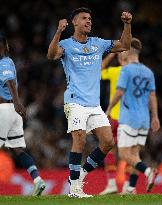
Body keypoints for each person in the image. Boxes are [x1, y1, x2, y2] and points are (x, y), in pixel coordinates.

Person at [47, 7, 132, 198]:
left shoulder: (98, 44)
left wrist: (127, 24)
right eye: (84, 18)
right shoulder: (67, 44)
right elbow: (51, 55)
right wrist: (59, 32)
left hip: (93, 104)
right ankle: (75, 189)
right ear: (74, 22)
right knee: (80, 138)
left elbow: (125, 44)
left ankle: (79, 175)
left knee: (108, 142)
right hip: (75, 101)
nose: (89, 21)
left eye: (90, 19)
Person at [106, 38, 160, 193]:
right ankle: (130, 188)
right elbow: (153, 96)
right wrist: (155, 116)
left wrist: (109, 109)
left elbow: (119, 92)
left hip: (129, 118)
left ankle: (149, 171)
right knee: (135, 154)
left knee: (124, 154)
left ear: (128, 52)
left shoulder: (126, 70)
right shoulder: (148, 72)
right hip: (144, 119)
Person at [0, 35, 46, 196]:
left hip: (5, 109)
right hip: (12, 111)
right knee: (17, 150)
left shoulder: (4, 62)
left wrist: (17, 102)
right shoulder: (10, 61)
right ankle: (37, 179)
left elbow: (10, 81)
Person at [100, 52, 138, 194]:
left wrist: (110, 55)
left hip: (115, 118)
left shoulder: (115, 71)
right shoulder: (137, 74)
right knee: (128, 152)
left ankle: (112, 184)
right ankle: (128, 186)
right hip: (130, 118)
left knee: (109, 149)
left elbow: (99, 71)